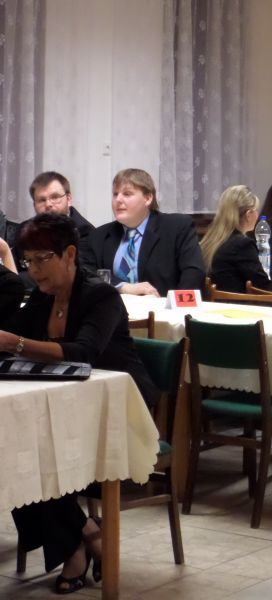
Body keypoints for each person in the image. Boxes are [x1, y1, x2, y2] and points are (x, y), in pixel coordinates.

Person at [0, 213, 158, 594]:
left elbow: (83, 352)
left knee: (35, 452)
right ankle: (85, 534)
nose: (33, 270)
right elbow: (13, 332)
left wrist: (14, 343)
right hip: (66, 407)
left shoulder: (100, 296)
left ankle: (75, 549)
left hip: (116, 409)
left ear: (69, 254)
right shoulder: (43, 298)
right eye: (27, 261)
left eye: (42, 259)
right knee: (15, 448)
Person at [83, 168, 205, 297]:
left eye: (127, 194)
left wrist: (174, 305)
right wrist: (123, 287)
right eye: (115, 194)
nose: (118, 199)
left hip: (161, 307)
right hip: (114, 308)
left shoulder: (176, 227)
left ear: (148, 198)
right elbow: (86, 272)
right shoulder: (99, 236)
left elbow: (194, 273)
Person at [13, 172, 95, 290]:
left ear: (68, 199)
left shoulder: (84, 230)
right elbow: (15, 266)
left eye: (55, 197)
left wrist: (15, 279)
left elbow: (79, 274)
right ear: (34, 205)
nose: (48, 204)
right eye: (42, 200)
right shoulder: (24, 229)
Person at [201, 185, 270, 293]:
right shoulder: (242, 245)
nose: (258, 215)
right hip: (235, 303)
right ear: (248, 215)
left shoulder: (210, 240)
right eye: (256, 210)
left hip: (212, 302)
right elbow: (262, 286)